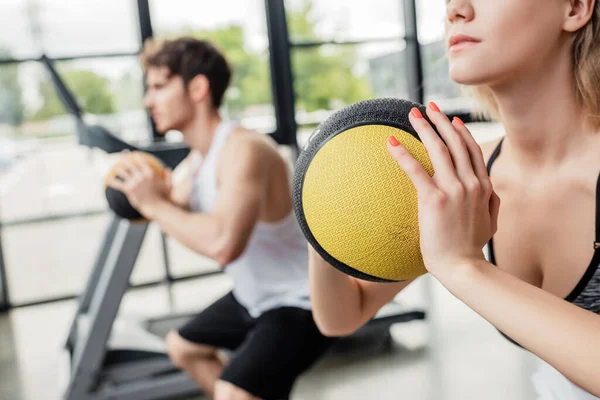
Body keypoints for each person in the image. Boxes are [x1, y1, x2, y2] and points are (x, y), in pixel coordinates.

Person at [309, 0, 600, 398]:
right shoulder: (462, 175)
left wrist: (463, 266)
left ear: (575, 8)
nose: (456, 10)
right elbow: (342, 315)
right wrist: (315, 199)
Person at [108, 37, 335, 400]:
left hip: (303, 301)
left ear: (198, 87)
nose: (148, 100)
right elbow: (171, 205)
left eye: (159, 87)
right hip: (255, 296)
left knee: (233, 391)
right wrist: (142, 189)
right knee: (182, 347)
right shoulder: (196, 163)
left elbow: (223, 243)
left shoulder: (244, 149)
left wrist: (154, 204)